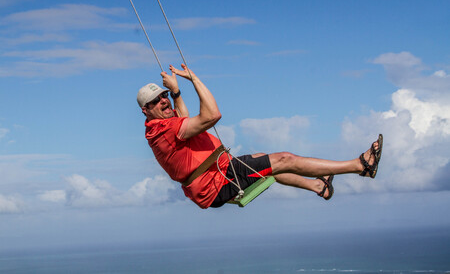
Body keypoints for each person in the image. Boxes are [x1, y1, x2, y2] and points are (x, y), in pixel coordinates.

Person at [137, 64, 383, 209]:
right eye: (155, 101)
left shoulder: (158, 127)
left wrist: (177, 92)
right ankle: (360, 166)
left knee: (264, 161)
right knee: (284, 159)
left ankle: (319, 186)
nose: (163, 101)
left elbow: (184, 119)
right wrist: (194, 79)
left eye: (163, 96)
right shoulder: (165, 130)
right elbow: (212, 115)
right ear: (145, 110)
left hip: (219, 171)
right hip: (217, 183)